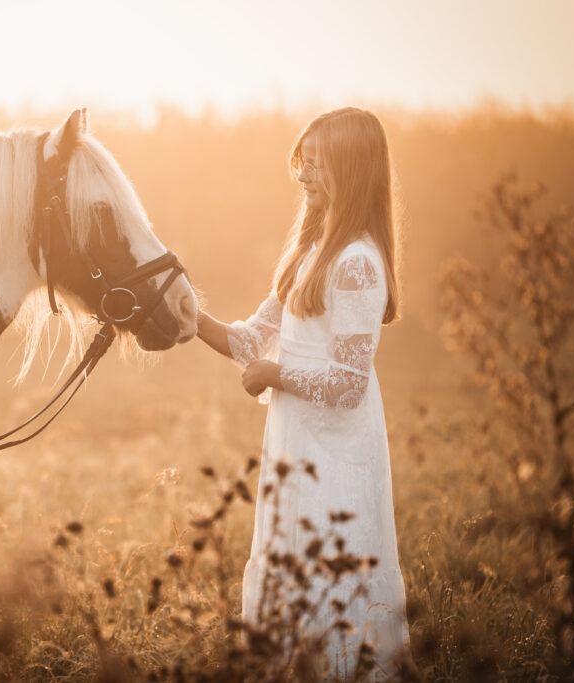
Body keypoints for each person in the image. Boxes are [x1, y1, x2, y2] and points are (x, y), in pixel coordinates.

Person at [196, 107, 411, 679]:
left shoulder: (358, 263)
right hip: (296, 442)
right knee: (290, 565)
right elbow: (248, 340)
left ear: (353, 170)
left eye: (318, 164)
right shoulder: (308, 253)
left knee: (330, 573)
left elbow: (347, 382)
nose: (305, 175)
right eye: (303, 163)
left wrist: (275, 376)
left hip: (336, 451)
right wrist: (186, 316)